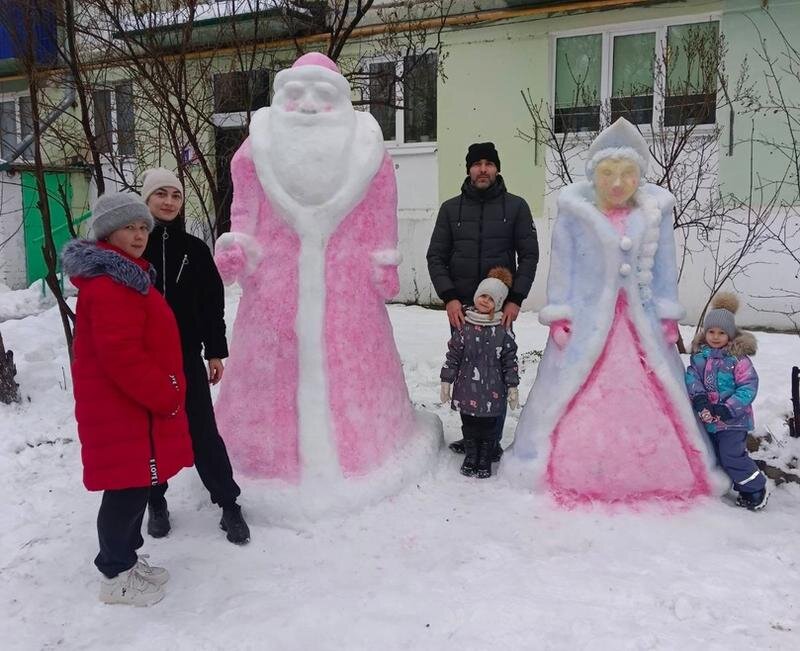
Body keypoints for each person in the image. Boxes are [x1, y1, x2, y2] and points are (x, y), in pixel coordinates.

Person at [510, 117, 724, 505]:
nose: (618, 183)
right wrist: (560, 311)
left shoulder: (655, 214)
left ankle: (660, 469)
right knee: (569, 389)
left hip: (641, 327)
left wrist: (665, 313)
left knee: (660, 390)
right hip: (588, 323)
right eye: (609, 173)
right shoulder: (575, 216)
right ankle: (563, 463)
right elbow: (564, 266)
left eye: (628, 174)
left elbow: (662, 268)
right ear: (595, 177)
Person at [62, 191, 194, 606]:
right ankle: (115, 574)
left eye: (142, 227)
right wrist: (166, 395)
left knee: (135, 487)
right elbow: (123, 357)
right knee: (125, 491)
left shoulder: (127, 277)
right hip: (126, 411)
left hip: (132, 413)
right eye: (128, 228)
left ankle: (126, 559)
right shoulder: (109, 286)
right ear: (107, 233)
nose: (139, 236)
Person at [140, 168, 249, 545]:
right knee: (151, 431)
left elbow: (211, 304)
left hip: (185, 355)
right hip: (145, 360)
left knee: (202, 429)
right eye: (161, 195)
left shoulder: (195, 250)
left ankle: (229, 504)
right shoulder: (134, 247)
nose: (169, 201)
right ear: (147, 199)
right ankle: (156, 501)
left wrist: (215, 351)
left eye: (175, 195)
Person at [427, 142, 538, 458]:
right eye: (477, 164)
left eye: (489, 163)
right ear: (468, 169)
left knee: (496, 374)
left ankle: (491, 440)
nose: (483, 169)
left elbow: (529, 255)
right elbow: (436, 255)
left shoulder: (516, 207)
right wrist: (448, 298)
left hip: (499, 312)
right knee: (465, 374)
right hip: (463, 312)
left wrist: (515, 300)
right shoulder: (451, 209)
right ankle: (471, 435)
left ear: (498, 169)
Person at [686, 292, 767, 511]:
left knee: (731, 455)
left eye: (721, 332)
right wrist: (700, 399)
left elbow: (748, 386)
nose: (715, 336)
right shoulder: (700, 356)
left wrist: (728, 408)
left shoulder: (738, 360)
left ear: (730, 335)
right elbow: (692, 377)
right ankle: (737, 478)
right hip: (709, 419)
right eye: (711, 331)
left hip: (733, 420)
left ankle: (755, 487)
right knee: (717, 456)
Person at [439, 267, 520, 478]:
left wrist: (512, 386)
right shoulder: (464, 326)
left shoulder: (502, 329)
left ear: (499, 304)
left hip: (493, 391)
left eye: (491, 299)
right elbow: (454, 355)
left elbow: (509, 360)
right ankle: (471, 455)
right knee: (470, 425)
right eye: (483, 295)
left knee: (489, 428)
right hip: (467, 389)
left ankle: (485, 457)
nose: (485, 301)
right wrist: (446, 381)